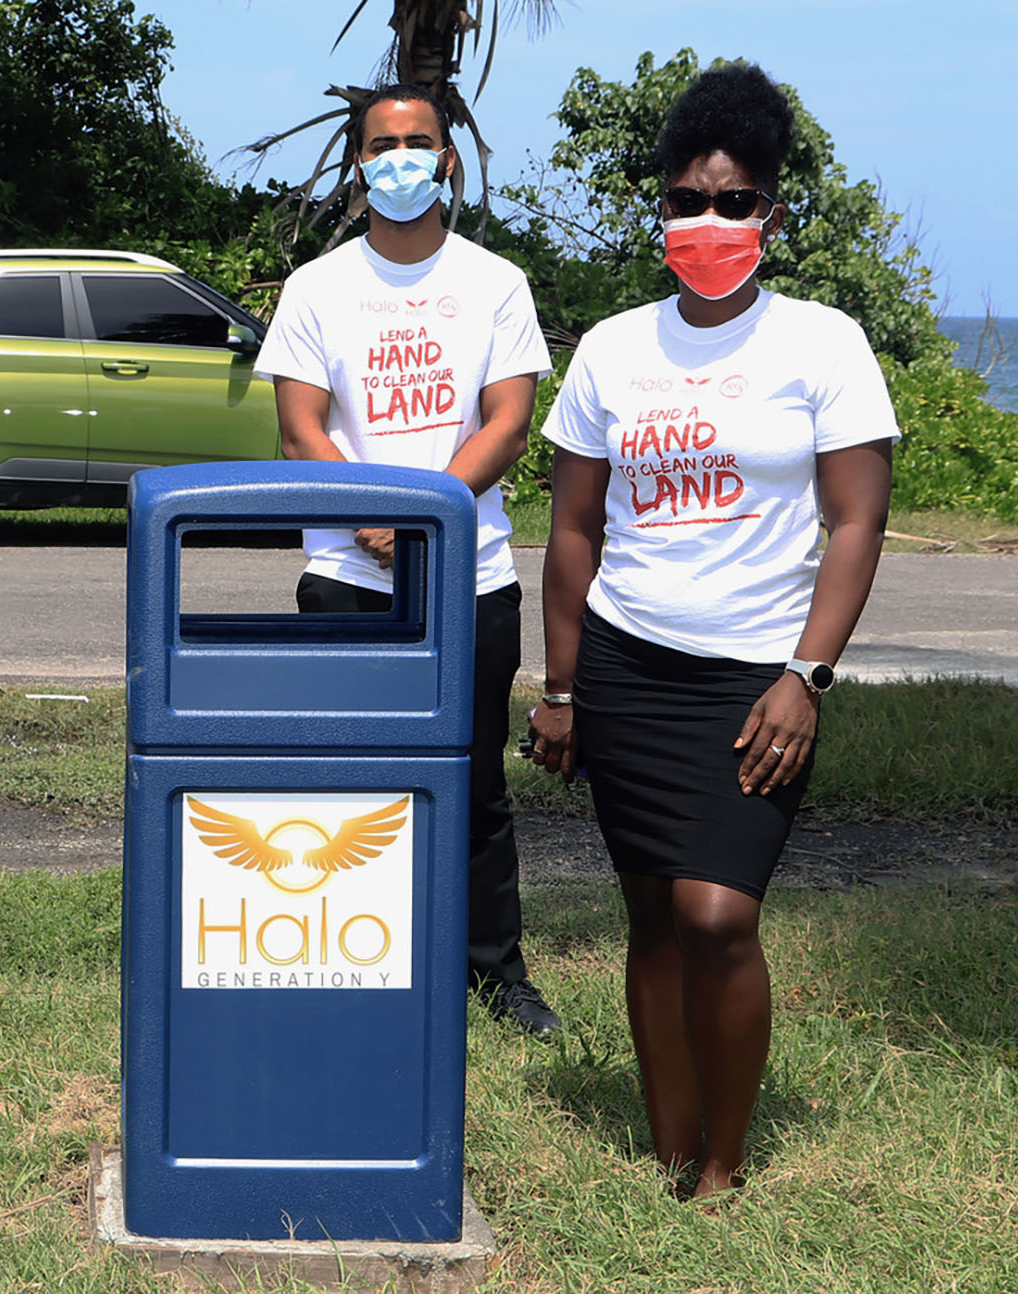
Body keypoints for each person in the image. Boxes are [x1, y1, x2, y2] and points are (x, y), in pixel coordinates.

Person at [530, 63, 898, 1199]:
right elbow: (573, 530)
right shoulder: (610, 349)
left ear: (770, 215)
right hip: (628, 663)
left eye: (731, 202)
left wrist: (806, 674)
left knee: (715, 912)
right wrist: (561, 686)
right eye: (685, 199)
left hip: (754, 677)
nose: (706, 221)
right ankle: (668, 1142)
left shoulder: (821, 345)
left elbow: (854, 520)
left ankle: (723, 1167)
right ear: (659, 214)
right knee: (649, 910)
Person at [255, 84, 562, 1036]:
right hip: (347, 575)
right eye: (382, 145)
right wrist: (375, 518)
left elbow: (508, 422)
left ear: (448, 160)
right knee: (350, 781)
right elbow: (300, 427)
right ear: (358, 162)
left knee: (474, 783)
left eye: (417, 143)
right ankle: (356, 959)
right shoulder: (318, 287)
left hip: (471, 578)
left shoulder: (494, 282)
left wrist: (424, 513)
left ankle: (495, 974)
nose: (400, 159)